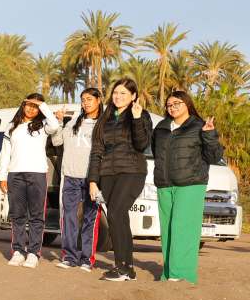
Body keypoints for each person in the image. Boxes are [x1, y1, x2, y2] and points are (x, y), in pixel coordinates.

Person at [151, 91, 223, 284]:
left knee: (183, 229)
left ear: (187, 104)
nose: (172, 107)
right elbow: (156, 152)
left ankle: (181, 274)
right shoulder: (161, 127)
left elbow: (214, 157)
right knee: (167, 231)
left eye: (177, 103)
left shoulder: (199, 126)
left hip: (191, 184)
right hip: (165, 185)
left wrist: (209, 135)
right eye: (169, 104)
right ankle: (168, 274)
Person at [87, 78, 153, 282]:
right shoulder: (105, 118)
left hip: (132, 171)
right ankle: (124, 266)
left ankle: (124, 267)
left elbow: (142, 144)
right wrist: (92, 180)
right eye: (116, 92)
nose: (118, 96)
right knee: (117, 217)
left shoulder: (141, 115)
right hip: (108, 174)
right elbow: (97, 150)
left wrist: (135, 118)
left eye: (123, 93)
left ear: (133, 96)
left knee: (116, 212)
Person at [0, 92, 60, 268]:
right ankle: (18, 251)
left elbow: (55, 125)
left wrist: (42, 105)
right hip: (15, 175)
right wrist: (2, 176)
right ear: (23, 105)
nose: (31, 108)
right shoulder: (12, 126)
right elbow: (6, 153)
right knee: (17, 215)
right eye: (29, 104)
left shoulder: (44, 125)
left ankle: (33, 253)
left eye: (35, 106)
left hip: (37, 174)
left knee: (36, 216)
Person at [51, 88, 102, 271]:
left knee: (90, 218)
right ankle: (69, 257)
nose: (86, 103)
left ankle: (87, 259)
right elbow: (57, 142)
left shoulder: (103, 124)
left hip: (92, 179)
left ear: (98, 100)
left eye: (89, 99)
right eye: (83, 100)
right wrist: (57, 122)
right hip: (70, 176)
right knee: (69, 217)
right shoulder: (73, 122)